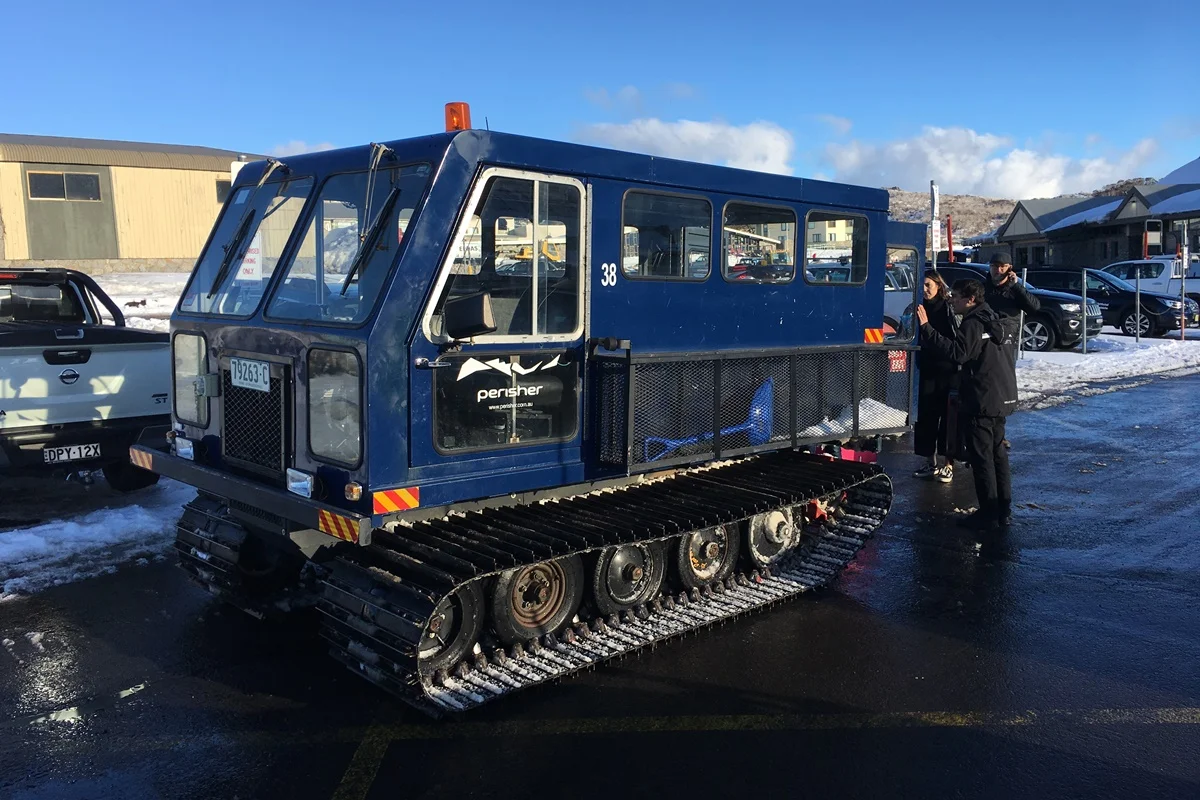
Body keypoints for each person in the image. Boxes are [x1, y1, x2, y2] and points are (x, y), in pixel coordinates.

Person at [916, 279, 1018, 529]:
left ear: (971, 299)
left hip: (982, 398)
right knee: (997, 454)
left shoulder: (973, 323)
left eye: (958, 296)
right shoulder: (993, 318)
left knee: (982, 457)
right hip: (1001, 395)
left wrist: (927, 328)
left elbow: (957, 353)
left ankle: (988, 514)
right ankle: (1002, 508)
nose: (952, 299)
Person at [913, 269, 959, 483]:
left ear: (939, 286)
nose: (925, 290)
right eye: (921, 285)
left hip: (947, 370)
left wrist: (926, 327)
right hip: (927, 369)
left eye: (928, 285)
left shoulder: (947, 308)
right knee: (926, 418)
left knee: (948, 419)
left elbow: (953, 343)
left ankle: (948, 463)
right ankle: (930, 462)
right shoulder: (919, 307)